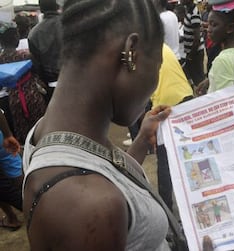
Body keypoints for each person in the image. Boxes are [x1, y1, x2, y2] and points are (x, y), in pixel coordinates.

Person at [21, 0, 173, 250]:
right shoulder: (89, 206)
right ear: (131, 53)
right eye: (157, 65)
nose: (154, 86)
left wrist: (142, 141)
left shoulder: (51, 129)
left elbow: (101, 167)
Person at [153, 44, 194, 211]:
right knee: (188, 155)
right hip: (186, 97)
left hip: (165, 105)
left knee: (164, 159)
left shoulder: (141, 49)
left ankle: (167, 209)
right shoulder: (162, 46)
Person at [0, 22, 47, 144]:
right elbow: (39, 70)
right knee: (41, 129)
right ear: (15, 37)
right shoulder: (25, 55)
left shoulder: (1, 59)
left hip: (14, 100)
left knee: (23, 134)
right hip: (33, 96)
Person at [195, 0, 234, 94]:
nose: (208, 30)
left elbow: (226, 103)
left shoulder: (222, 60)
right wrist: (211, 79)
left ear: (230, 28)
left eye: (214, 25)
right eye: (208, 24)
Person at [28, 0, 62, 103]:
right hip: (77, 80)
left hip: (52, 86)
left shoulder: (33, 34)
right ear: (57, 5)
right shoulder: (71, 24)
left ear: (41, 9)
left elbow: (37, 66)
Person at [0, 109, 23, 231]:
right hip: (1, 136)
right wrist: (8, 135)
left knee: (3, 187)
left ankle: (12, 218)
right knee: (17, 173)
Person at [182, 0, 205, 87]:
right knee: (194, 77)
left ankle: (204, 98)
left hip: (195, 52)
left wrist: (190, 56)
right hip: (192, 52)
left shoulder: (194, 13)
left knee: (199, 79)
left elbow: (197, 39)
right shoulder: (189, 11)